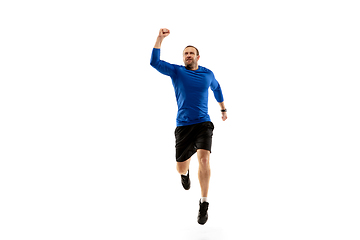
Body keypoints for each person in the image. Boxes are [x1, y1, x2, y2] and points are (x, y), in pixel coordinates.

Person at [150, 28, 227, 225]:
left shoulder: (207, 74)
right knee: (180, 168)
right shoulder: (177, 71)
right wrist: (159, 38)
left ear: (198, 56)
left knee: (204, 160)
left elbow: (217, 89)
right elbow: (154, 63)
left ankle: (204, 203)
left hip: (203, 123)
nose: (188, 55)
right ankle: (185, 175)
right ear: (183, 58)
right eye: (185, 53)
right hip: (183, 125)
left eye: (191, 53)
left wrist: (223, 109)